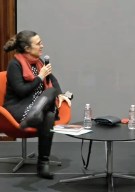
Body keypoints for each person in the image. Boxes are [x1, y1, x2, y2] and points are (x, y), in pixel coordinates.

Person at [3, 30, 72, 179]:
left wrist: (60, 94)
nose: (42, 45)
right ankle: (43, 165)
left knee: (49, 107)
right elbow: (21, 91)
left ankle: (43, 164)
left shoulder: (39, 62)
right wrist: (40, 77)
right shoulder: (14, 65)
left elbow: (52, 80)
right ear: (27, 48)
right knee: (49, 114)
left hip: (36, 106)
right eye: (38, 43)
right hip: (18, 107)